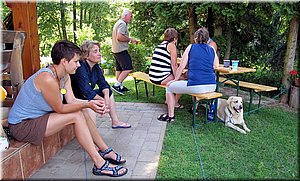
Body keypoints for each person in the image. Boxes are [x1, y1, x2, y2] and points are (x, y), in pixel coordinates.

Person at [7, 40, 128, 177]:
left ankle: (105, 150)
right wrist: (88, 104)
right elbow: (60, 108)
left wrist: (91, 103)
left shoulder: (64, 76)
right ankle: (100, 164)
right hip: (22, 125)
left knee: (80, 110)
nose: (78, 65)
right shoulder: (47, 78)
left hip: (37, 118)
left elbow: (72, 100)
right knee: (76, 115)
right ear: (64, 61)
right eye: (76, 61)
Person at [157, 27, 219, 122]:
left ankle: (171, 116)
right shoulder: (212, 49)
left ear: (195, 38)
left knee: (169, 87)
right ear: (207, 39)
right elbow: (216, 65)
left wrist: (175, 79)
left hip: (197, 86)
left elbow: (181, 66)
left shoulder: (191, 47)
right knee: (183, 83)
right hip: (212, 85)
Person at [70, 40, 131, 129]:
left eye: (99, 51)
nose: (99, 54)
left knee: (108, 91)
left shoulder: (96, 66)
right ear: (86, 55)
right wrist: (103, 101)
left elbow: (104, 84)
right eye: (95, 51)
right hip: (77, 98)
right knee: (92, 103)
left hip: (86, 96)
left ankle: (115, 122)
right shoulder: (81, 67)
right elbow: (86, 91)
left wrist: (106, 98)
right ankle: (91, 135)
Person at [149, 28, 183, 109]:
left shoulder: (159, 45)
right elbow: (174, 65)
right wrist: (177, 78)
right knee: (182, 82)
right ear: (175, 39)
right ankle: (174, 102)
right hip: (160, 78)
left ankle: (169, 100)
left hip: (152, 76)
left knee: (180, 78)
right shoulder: (171, 46)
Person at [111, 9, 137, 96]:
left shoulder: (118, 22)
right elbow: (119, 37)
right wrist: (130, 39)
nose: (131, 18)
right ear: (125, 16)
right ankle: (117, 85)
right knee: (128, 68)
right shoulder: (122, 24)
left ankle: (120, 86)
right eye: (130, 16)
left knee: (119, 69)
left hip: (116, 50)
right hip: (121, 50)